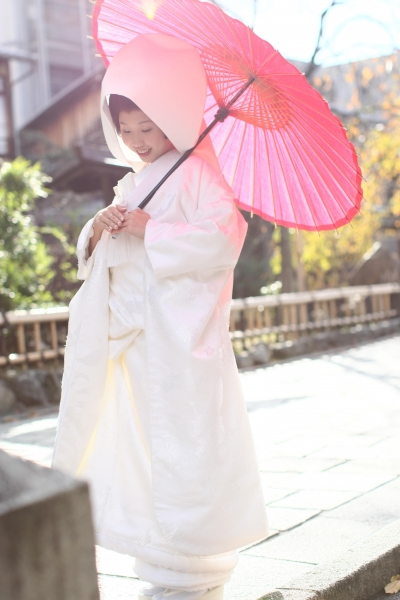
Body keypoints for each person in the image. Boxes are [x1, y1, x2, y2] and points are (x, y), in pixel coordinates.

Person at [52, 34, 268, 600]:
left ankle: (194, 557)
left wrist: (155, 230)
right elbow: (103, 254)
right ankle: (155, 548)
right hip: (131, 336)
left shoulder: (199, 172)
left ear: (173, 117)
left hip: (175, 339)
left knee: (185, 442)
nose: (138, 141)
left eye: (148, 128)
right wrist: (98, 229)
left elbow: (223, 241)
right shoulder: (134, 180)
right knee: (133, 441)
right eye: (126, 131)